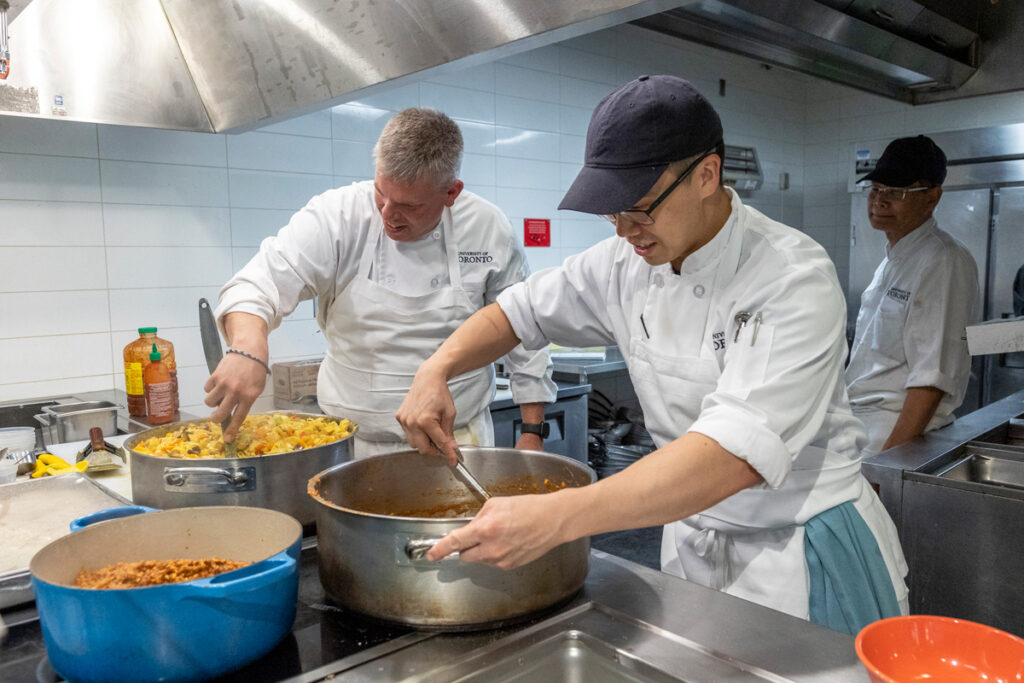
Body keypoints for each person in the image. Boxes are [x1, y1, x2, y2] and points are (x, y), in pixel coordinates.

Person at [396, 75, 908, 635]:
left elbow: (731, 455)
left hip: (799, 552)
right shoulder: (624, 259)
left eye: (639, 210)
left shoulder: (791, 276)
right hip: (690, 541)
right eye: (612, 215)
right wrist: (436, 368)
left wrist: (559, 517)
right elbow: (518, 313)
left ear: (707, 175)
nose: (625, 231)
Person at [205, 108, 557, 458]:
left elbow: (524, 331)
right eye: (380, 193)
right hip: (349, 445)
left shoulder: (487, 229)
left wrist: (532, 431)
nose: (387, 214)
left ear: (451, 193)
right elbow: (257, 282)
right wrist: (248, 348)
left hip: (457, 442)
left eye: (408, 205)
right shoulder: (338, 216)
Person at [846, 136, 980, 456]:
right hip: (861, 428)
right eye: (876, 189)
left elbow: (931, 379)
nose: (879, 201)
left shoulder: (943, 260)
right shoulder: (892, 261)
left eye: (896, 192)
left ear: (932, 197)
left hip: (894, 436)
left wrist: (887, 465)